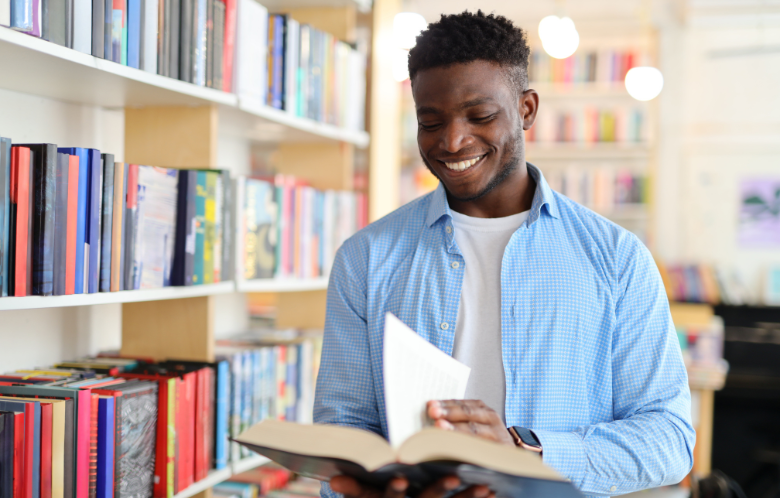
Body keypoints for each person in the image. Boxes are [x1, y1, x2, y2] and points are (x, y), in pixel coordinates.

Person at [313, 10, 695, 498]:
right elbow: (345, 428)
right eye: (431, 121)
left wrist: (525, 450)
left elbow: (669, 440)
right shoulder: (365, 259)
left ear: (527, 110)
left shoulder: (617, 259)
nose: (452, 141)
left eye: (480, 116)